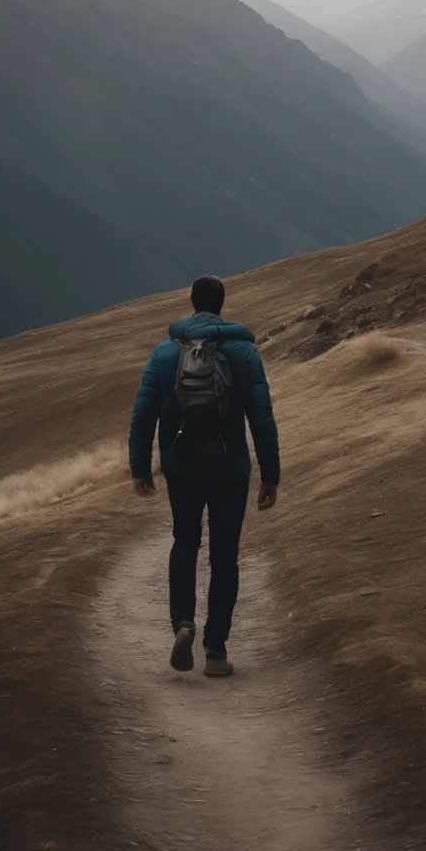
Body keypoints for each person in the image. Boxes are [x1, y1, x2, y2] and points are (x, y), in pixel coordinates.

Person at [128, 274, 280, 676]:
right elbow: (261, 417)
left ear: (192, 303)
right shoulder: (245, 353)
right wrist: (271, 475)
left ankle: (183, 624)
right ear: (222, 304)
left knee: (185, 541)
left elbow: (143, 413)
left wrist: (141, 468)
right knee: (224, 556)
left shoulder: (165, 353)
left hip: (182, 465)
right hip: (231, 467)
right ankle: (215, 652)